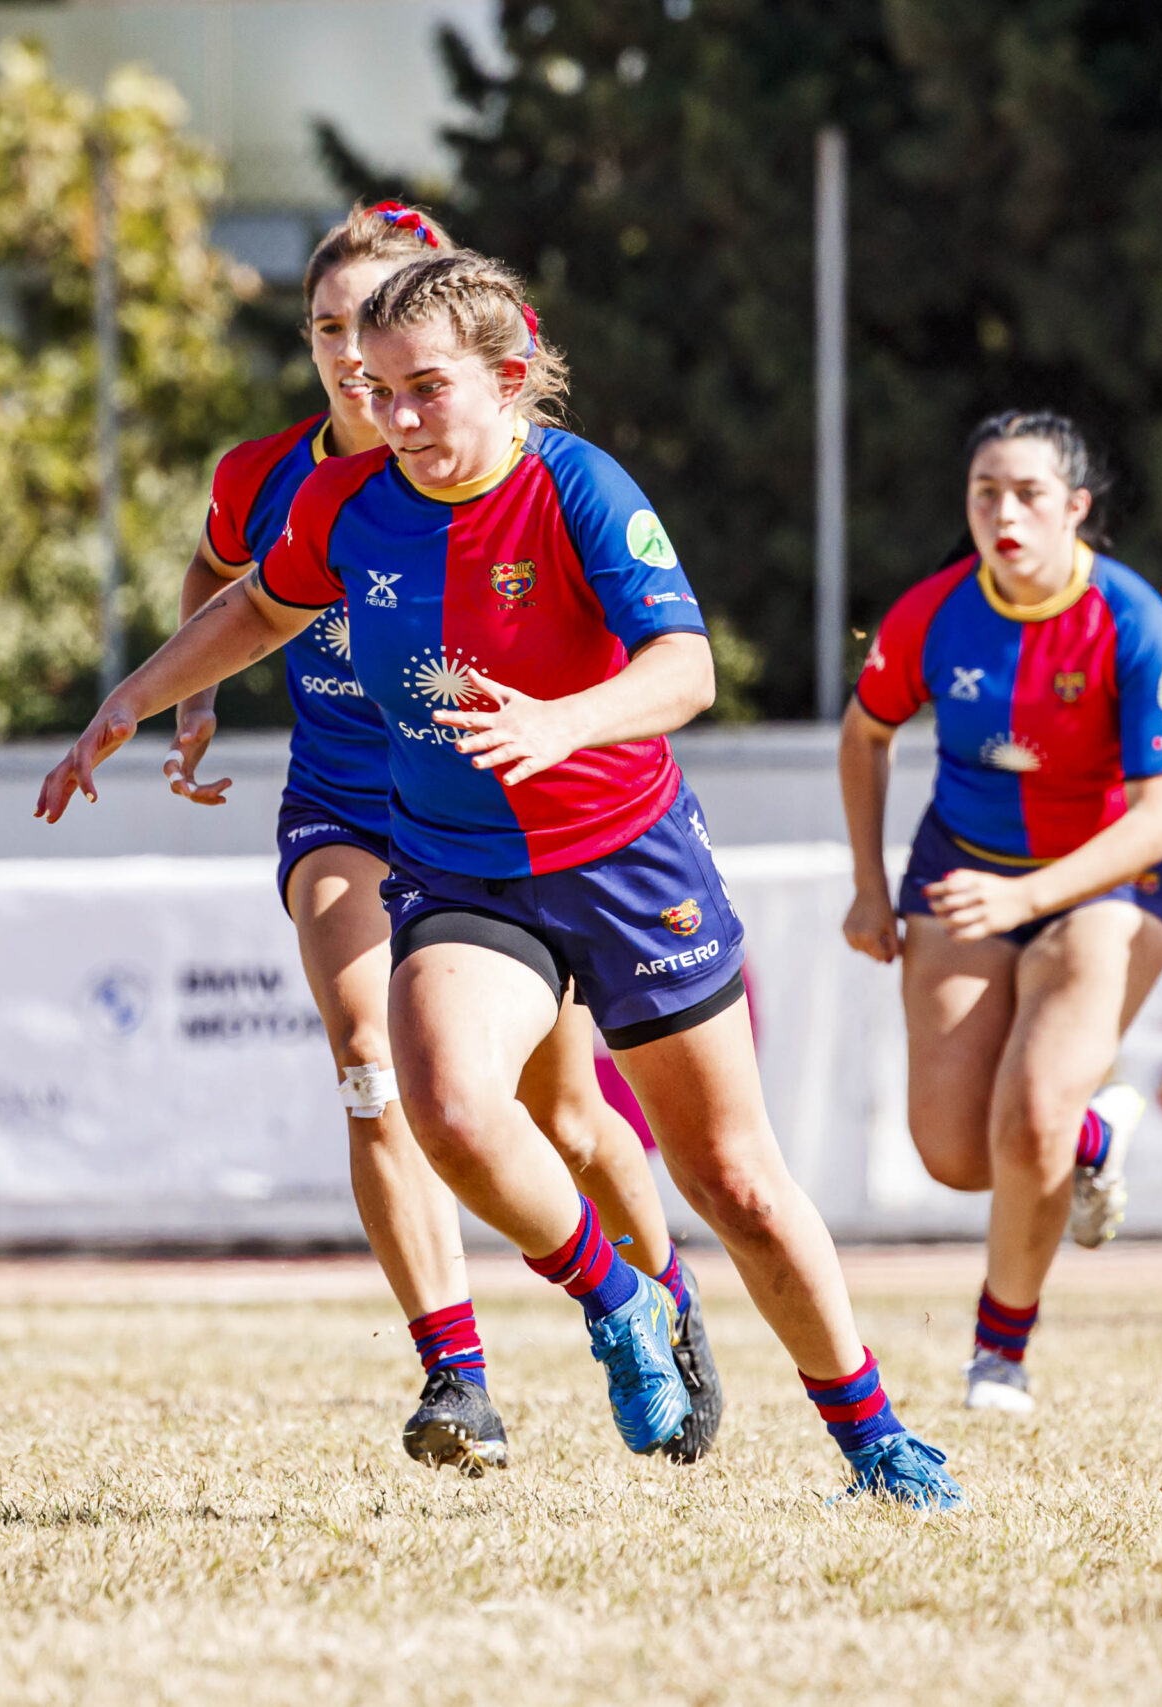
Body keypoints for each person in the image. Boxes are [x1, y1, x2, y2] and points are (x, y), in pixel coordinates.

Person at [40, 252, 960, 1505]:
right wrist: (133, 700)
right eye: (376, 388)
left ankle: (877, 1443)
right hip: (463, 872)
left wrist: (563, 725)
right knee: (448, 1106)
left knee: (735, 1181)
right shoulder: (347, 501)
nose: (396, 418)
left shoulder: (579, 486)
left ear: (510, 377)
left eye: (425, 390)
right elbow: (262, 607)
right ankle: (616, 1298)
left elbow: (683, 670)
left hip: (626, 865)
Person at [147, 203, 715, 1474]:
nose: (354, 356)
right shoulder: (266, 477)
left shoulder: (526, 474)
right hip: (346, 802)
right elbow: (222, 585)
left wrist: (568, 727)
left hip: (500, 812)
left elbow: (672, 659)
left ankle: (663, 1299)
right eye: (328, 329)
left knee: (568, 1113)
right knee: (374, 1065)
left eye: (377, 325)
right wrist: (184, 694)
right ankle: (455, 1377)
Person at [836, 411, 1162, 1414]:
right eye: (985, 491)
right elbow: (865, 736)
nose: (1004, 512)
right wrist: (869, 885)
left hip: (1110, 880)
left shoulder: (1133, 620)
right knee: (955, 1157)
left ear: (1076, 509)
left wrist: (1030, 896)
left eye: (1029, 494)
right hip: (965, 869)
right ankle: (1093, 1140)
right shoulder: (931, 613)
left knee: (1027, 1115)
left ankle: (999, 1356)